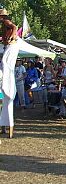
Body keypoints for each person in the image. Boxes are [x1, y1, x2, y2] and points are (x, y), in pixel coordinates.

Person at [0, 8, 19, 138]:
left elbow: (14, 27)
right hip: (9, 45)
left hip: (12, 45)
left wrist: (11, 37)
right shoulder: (4, 24)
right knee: (5, 64)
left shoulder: (6, 22)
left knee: (5, 64)